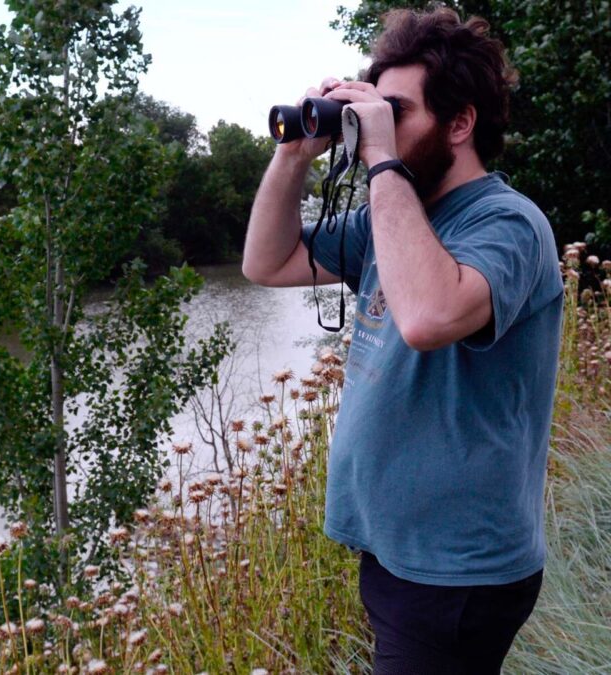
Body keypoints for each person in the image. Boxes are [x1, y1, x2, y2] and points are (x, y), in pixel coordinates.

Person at [241, 7, 563, 674]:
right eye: (372, 111)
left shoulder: (508, 224)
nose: (373, 127)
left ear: (461, 121)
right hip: (397, 552)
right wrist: (293, 153)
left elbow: (427, 316)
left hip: (458, 570)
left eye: (396, 111)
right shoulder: (390, 218)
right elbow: (266, 263)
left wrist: (381, 158)